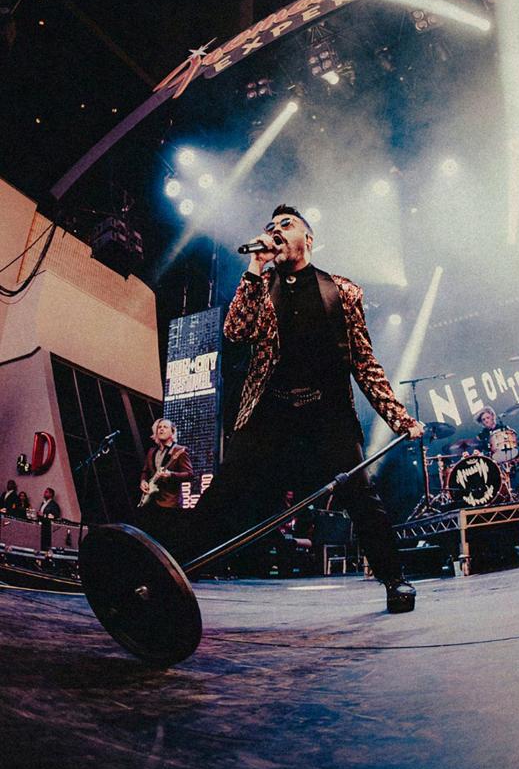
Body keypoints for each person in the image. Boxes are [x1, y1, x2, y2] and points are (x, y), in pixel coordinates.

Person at [193, 204, 424, 613]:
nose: (276, 230)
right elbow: (235, 331)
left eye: (286, 224)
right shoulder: (261, 285)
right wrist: (254, 268)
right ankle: (170, 563)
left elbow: (364, 363)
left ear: (308, 239)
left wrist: (399, 418)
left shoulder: (342, 292)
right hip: (270, 412)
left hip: (326, 412)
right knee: (224, 491)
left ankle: (394, 579)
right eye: (271, 226)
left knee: (360, 494)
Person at [138, 418, 193, 556]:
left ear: (172, 432)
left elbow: (189, 474)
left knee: (168, 541)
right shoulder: (152, 451)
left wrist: (171, 475)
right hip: (152, 503)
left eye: (165, 427)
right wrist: (143, 481)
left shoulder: (179, 450)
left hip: (170, 503)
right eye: (159, 427)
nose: (161, 429)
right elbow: (145, 471)